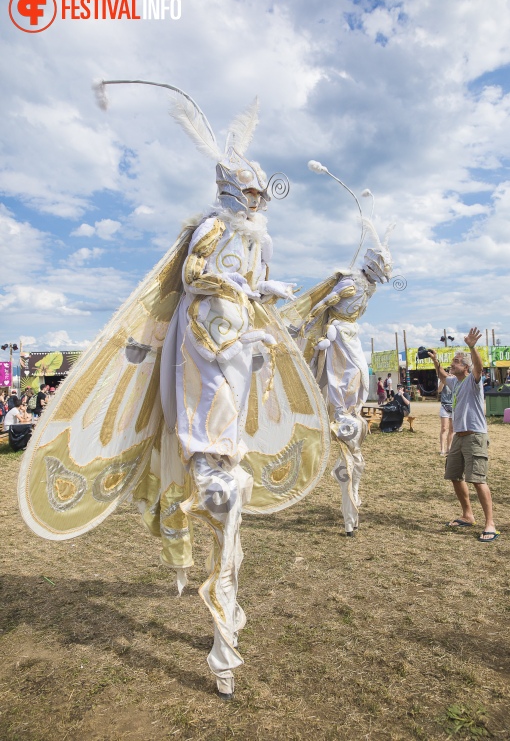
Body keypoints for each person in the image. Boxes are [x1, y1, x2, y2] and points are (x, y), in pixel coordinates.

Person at [18, 81, 330, 701]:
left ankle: (226, 581)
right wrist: (240, 290)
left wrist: (258, 295)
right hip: (207, 336)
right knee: (215, 406)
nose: (259, 200)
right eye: (252, 190)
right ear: (231, 190)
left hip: (233, 336)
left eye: (261, 193)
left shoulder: (248, 240)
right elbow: (193, 276)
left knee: (234, 402)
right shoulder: (213, 229)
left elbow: (241, 286)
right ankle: (220, 613)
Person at [281, 168, 393, 537]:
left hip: (351, 336)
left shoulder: (369, 288)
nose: (381, 279)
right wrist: (303, 325)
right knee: (345, 375)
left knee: (360, 375)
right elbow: (324, 303)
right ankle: (335, 405)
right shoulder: (349, 282)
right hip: (336, 337)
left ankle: (350, 407)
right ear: (371, 265)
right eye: (379, 271)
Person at [429, 328, 499, 543]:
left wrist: (471, 347)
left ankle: (491, 524)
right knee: (454, 475)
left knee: (478, 480)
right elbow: (442, 375)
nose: (452, 363)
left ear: (466, 367)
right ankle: (467, 515)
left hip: (474, 436)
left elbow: (478, 367)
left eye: (456, 361)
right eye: (452, 361)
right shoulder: (456, 382)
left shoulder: (472, 381)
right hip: (458, 437)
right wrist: (435, 361)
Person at [438, 367, 453, 456]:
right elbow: (439, 390)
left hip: (454, 406)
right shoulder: (444, 380)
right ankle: (442, 449)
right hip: (445, 405)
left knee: (452, 429)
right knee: (444, 428)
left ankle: (449, 448)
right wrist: (444, 380)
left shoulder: (456, 380)